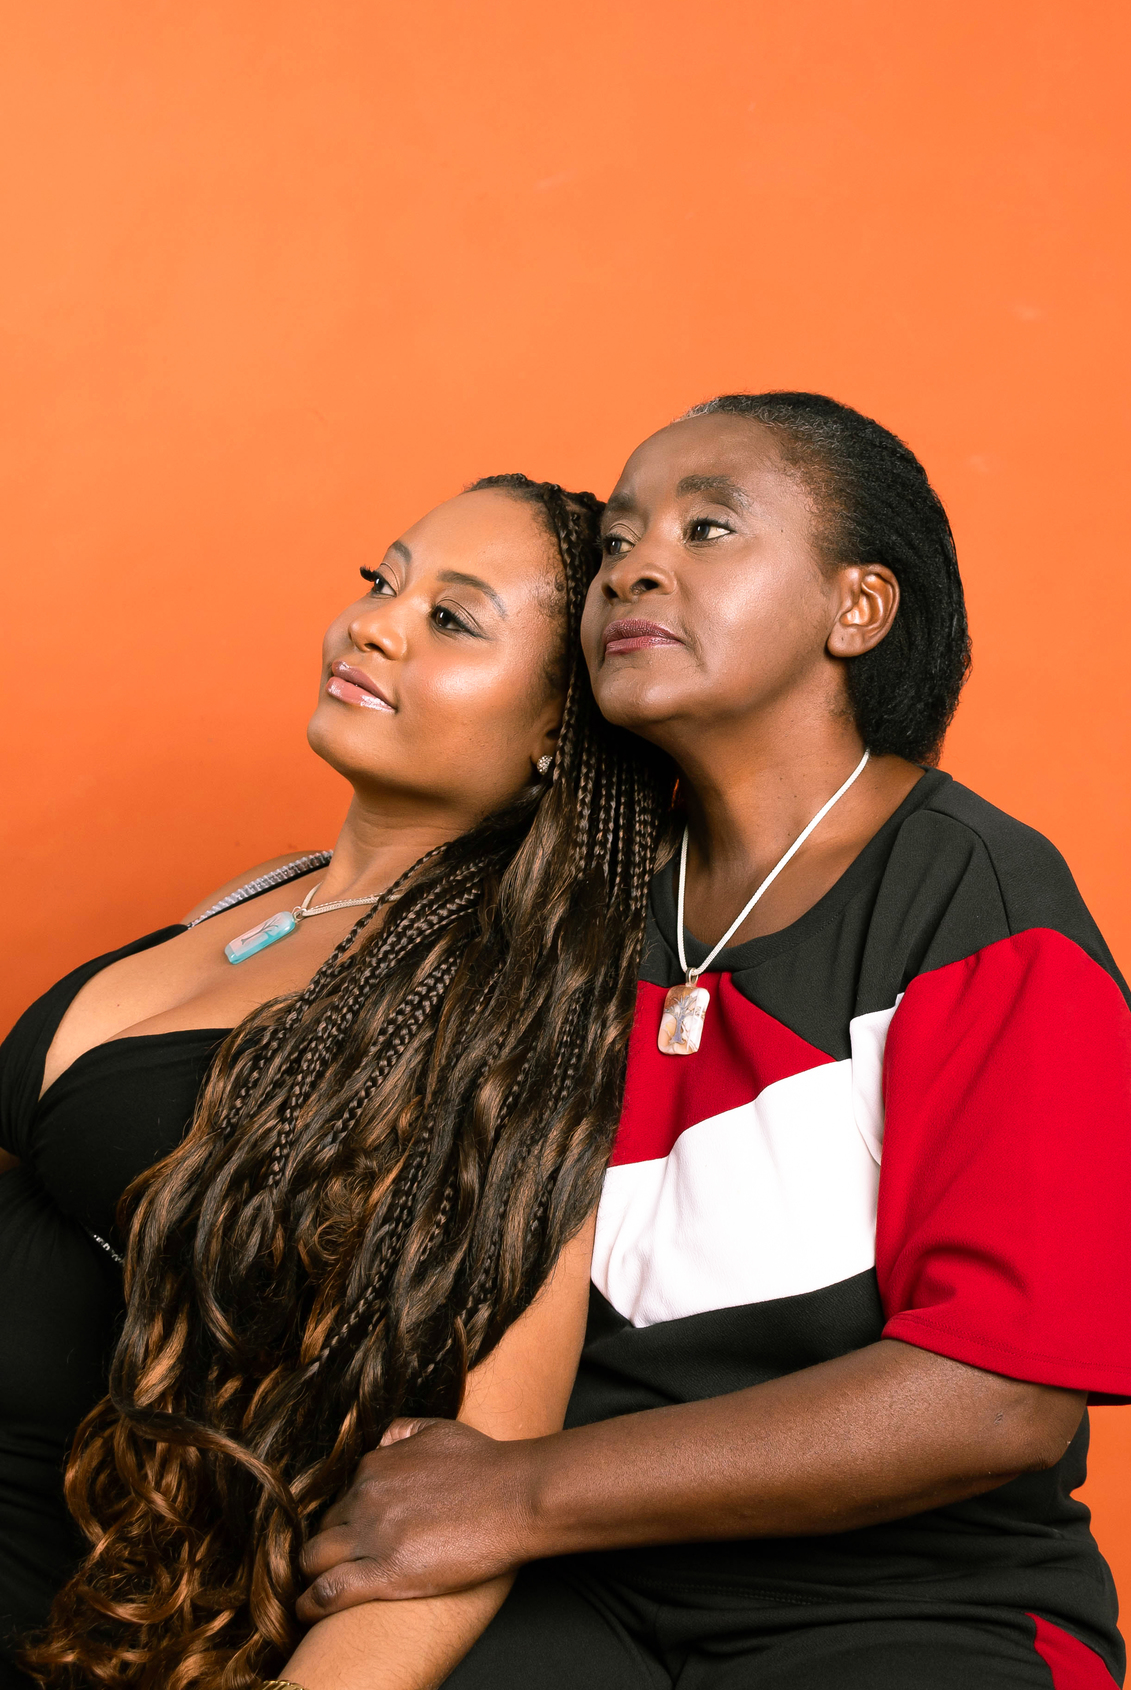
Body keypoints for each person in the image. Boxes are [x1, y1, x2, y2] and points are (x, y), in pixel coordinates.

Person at [296, 395, 1131, 1690]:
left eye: (707, 529)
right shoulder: (575, 902)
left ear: (857, 609)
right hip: (592, 1590)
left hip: (907, 1607)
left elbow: (998, 1396)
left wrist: (517, 1494)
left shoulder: (978, 903)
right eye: (621, 539)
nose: (634, 567)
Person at [3, 474, 674, 1690]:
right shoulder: (270, 893)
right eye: (383, 581)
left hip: (66, 1617)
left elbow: (465, 1502)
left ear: (555, 731)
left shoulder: (507, 1033)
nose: (373, 624)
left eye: (452, 619)